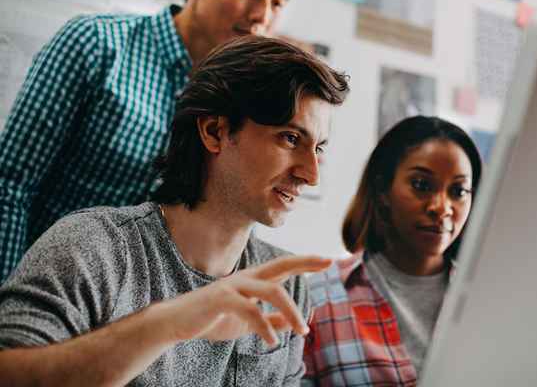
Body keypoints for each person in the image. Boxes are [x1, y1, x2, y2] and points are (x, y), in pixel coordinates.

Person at [0, 35, 350, 386]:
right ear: (215, 131)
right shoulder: (91, 248)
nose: (311, 174)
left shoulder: (285, 287)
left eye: (318, 147)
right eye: (290, 138)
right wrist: (167, 325)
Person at [0, 0, 294, 282]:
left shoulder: (247, 103)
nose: (262, 16)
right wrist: (11, 300)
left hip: (140, 316)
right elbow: (10, 185)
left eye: (278, 2)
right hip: (45, 291)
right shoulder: (96, 43)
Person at [302, 116, 483, 386]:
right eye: (421, 185)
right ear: (383, 190)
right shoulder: (314, 298)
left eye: (458, 191)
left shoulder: (489, 297)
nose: (442, 207)